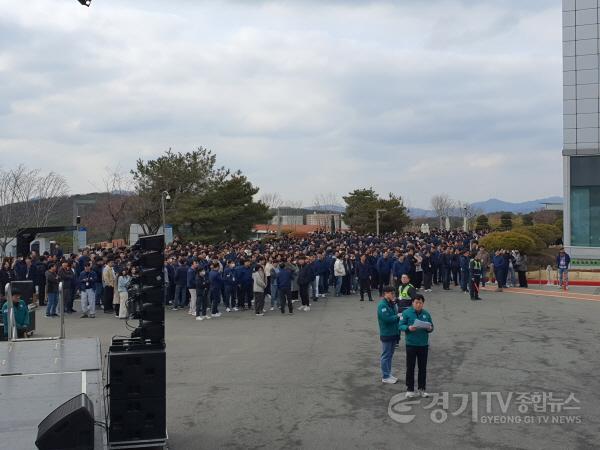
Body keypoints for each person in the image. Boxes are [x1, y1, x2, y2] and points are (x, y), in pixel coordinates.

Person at [399, 294, 434, 398]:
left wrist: (429, 328)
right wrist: (408, 328)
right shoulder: (406, 313)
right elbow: (400, 325)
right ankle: (410, 389)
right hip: (411, 344)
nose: (418, 305)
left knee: (422, 368)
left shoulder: (426, 314)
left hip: (423, 344)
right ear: (412, 303)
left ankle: (422, 388)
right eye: (416, 303)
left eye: (420, 303)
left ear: (423, 303)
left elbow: (432, 326)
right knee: (410, 367)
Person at [377, 286, 400, 384]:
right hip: (386, 333)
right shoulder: (382, 305)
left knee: (390, 355)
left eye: (393, 293)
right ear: (385, 293)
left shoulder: (392, 303)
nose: (393, 295)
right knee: (386, 355)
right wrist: (398, 316)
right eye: (391, 293)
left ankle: (388, 374)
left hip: (394, 332)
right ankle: (385, 376)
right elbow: (386, 319)